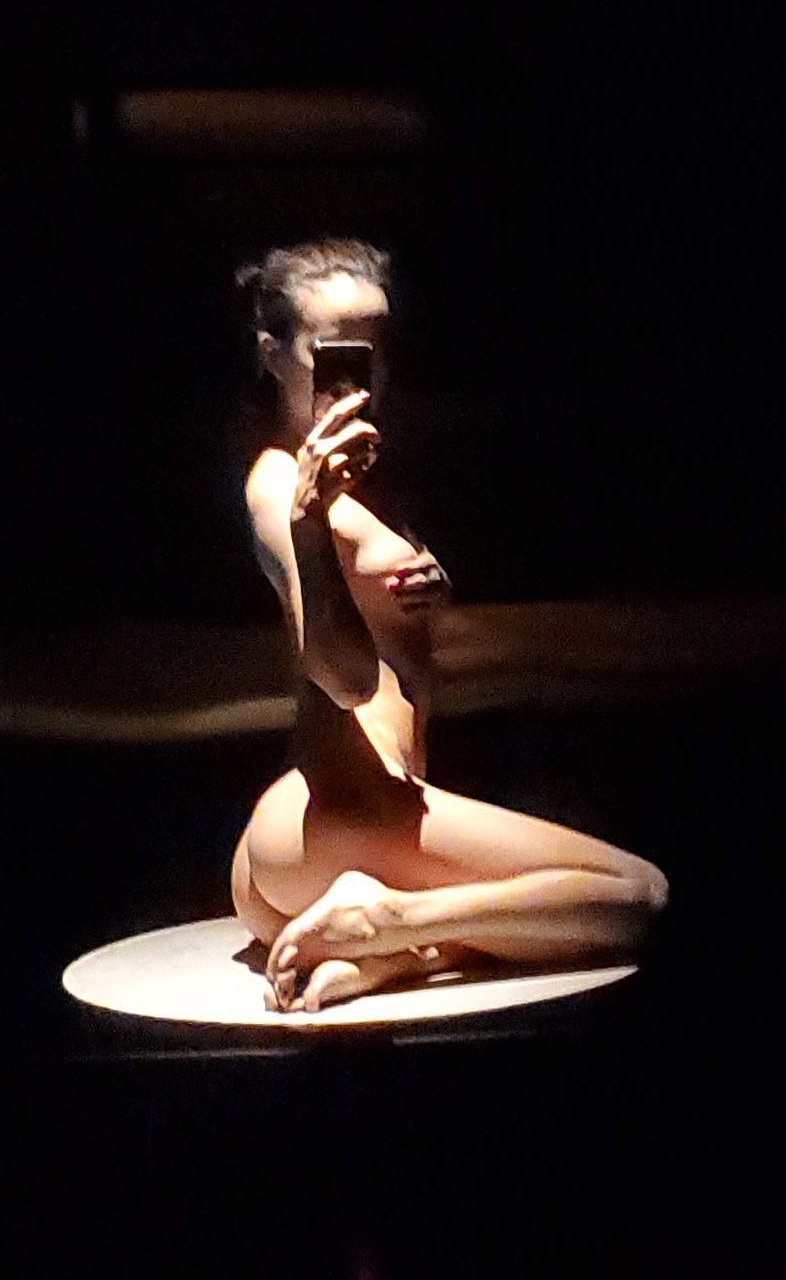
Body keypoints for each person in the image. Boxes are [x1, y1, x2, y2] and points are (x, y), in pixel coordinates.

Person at [230, 239, 668, 1012]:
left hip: (306, 840)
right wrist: (306, 519)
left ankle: (402, 951)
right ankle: (389, 920)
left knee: (524, 921)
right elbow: (342, 678)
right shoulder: (280, 483)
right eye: (336, 351)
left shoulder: (360, 479)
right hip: (343, 812)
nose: (363, 371)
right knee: (637, 896)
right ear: (272, 355)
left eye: (377, 347)